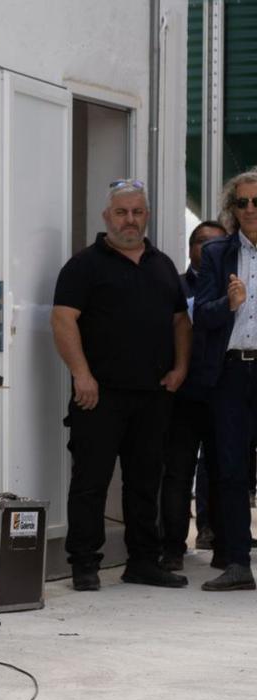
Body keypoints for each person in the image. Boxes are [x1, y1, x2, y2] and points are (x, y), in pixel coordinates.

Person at [51, 179, 191, 592]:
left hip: (153, 394)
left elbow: (180, 321)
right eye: (121, 212)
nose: (130, 220)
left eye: (137, 212)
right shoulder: (84, 265)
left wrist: (180, 367)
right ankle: (84, 564)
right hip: (99, 394)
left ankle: (143, 562)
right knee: (91, 481)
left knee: (145, 481)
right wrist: (82, 374)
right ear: (106, 217)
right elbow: (63, 319)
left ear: (146, 216)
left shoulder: (163, 264)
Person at [194, 167, 257, 591]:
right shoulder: (218, 253)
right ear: (231, 209)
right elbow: (201, 313)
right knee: (231, 469)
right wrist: (228, 302)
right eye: (243, 202)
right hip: (232, 372)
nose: (251, 209)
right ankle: (237, 563)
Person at [158, 220, 227, 571]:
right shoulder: (175, 286)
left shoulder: (236, 287)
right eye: (202, 242)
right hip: (182, 393)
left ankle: (220, 542)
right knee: (177, 471)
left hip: (224, 392)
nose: (209, 249)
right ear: (190, 248)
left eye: (218, 243)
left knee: (224, 470)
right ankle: (172, 547)